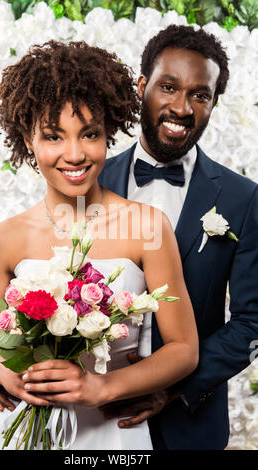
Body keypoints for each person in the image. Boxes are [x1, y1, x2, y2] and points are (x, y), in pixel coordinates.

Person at [0, 40, 198, 450]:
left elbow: (183, 349)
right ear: (28, 139)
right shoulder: (6, 237)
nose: (74, 154)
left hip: (112, 436)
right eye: (54, 137)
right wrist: (6, 374)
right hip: (21, 433)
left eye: (89, 134)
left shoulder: (148, 225)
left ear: (108, 133)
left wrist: (103, 387)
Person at [97, 25, 258, 450]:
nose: (182, 107)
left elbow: (252, 319)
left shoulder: (243, 198)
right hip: (94, 418)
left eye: (200, 95)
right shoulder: (89, 181)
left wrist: (173, 387)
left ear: (214, 103)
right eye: (168, 87)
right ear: (142, 86)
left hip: (191, 424)